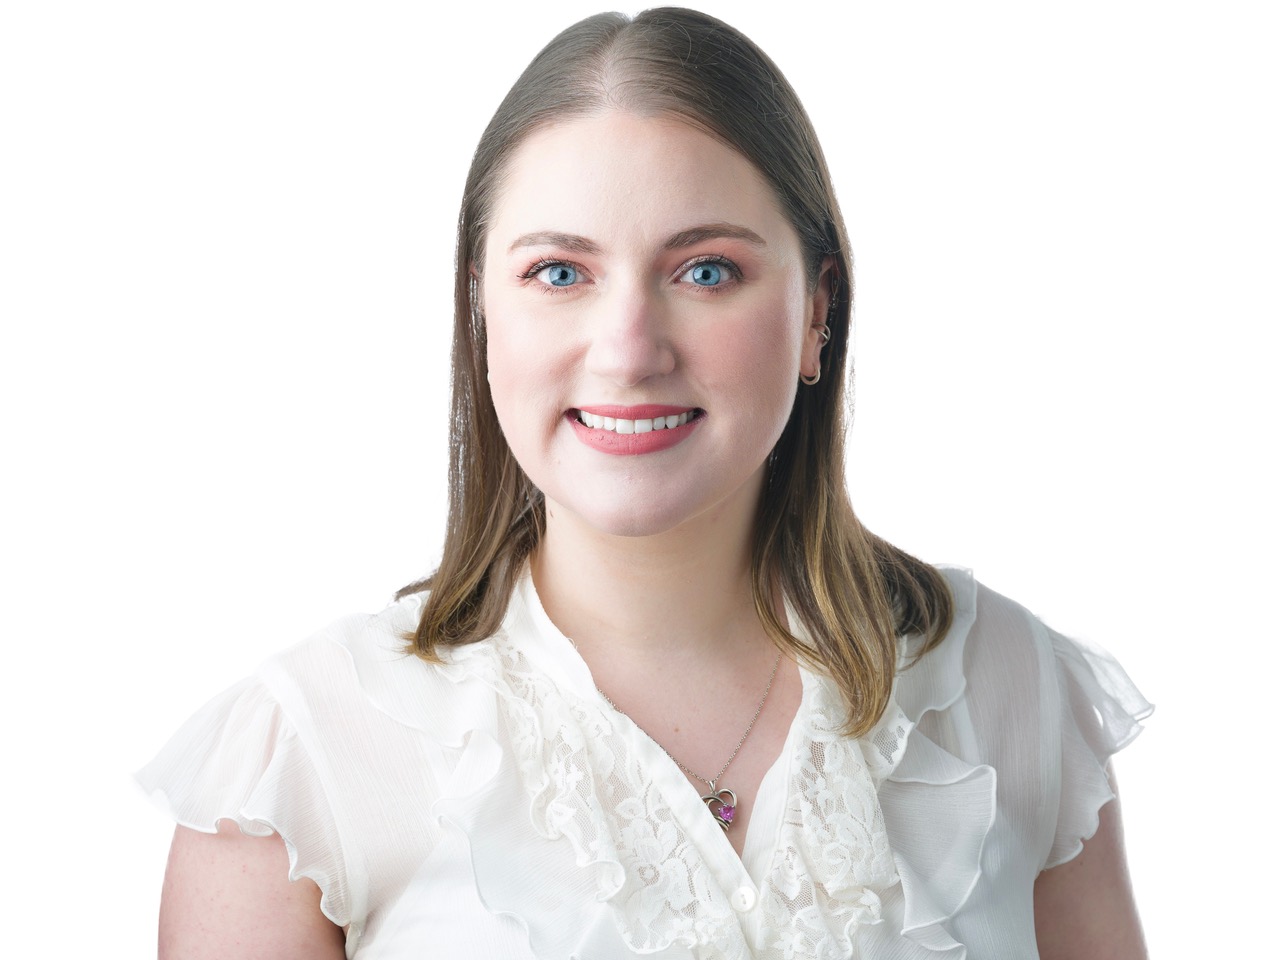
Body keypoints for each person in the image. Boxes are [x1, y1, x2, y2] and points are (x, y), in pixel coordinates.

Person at [139, 8, 1152, 958]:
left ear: (815, 314)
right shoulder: (303, 759)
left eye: (704, 270)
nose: (626, 351)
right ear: (482, 309)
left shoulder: (1007, 691)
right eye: (558, 273)